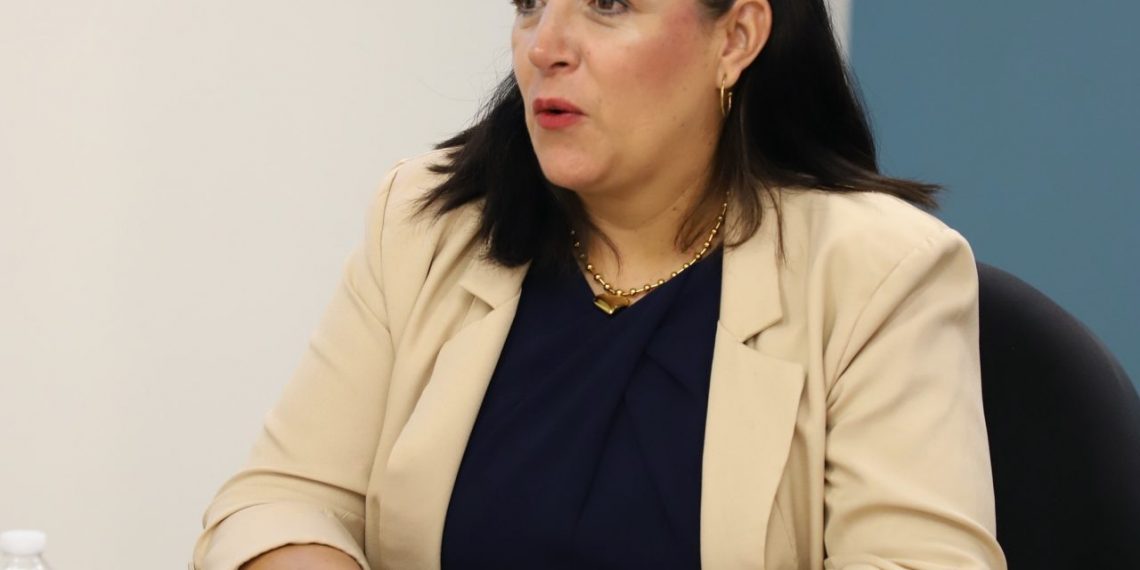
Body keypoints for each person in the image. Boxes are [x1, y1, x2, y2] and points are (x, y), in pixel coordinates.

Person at [193, 0, 1006, 568]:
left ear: (735, 39)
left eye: (608, 4)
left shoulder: (878, 272)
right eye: (529, 4)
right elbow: (280, 498)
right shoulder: (428, 222)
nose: (545, 46)